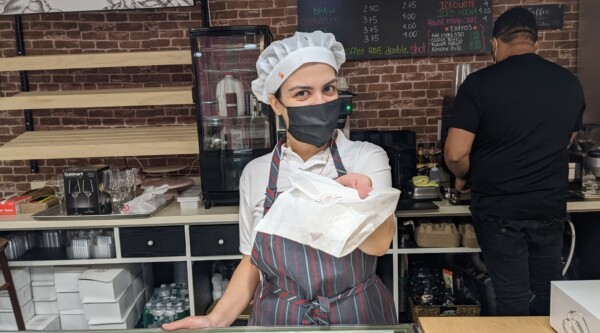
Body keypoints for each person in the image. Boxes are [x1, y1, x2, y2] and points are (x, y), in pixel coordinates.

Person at [163, 31, 397, 330]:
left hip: (356, 313)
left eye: (328, 89)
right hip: (281, 317)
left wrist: (353, 200)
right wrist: (216, 319)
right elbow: (252, 261)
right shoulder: (256, 173)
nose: (320, 102)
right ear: (276, 104)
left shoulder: (366, 157)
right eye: (302, 93)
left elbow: (378, 246)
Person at [444, 7, 585, 316]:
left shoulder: (479, 85)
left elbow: (455, 154)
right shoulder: (568, 83)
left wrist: (463, 176)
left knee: (511, 296)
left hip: (499, 212)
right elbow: (567, 139)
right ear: (537, 42)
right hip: (548, 207)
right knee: (550, 293)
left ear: (495, 43)